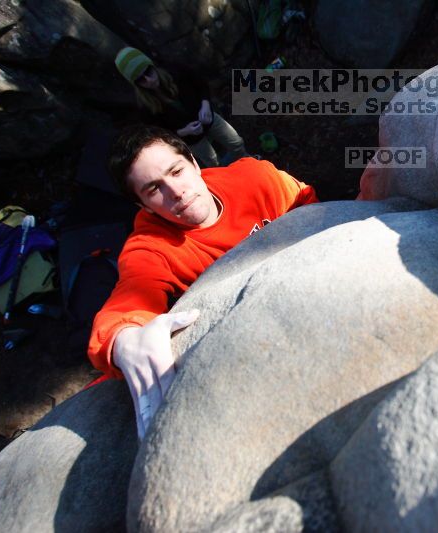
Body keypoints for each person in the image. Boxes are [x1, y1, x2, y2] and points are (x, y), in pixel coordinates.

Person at [88, 125, 318, 438]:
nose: (176, 192)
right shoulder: (151, 247)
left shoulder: (256, 178)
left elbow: (308, 204)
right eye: (154, 189)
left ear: (195, 164)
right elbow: (128, 300)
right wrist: (124, 339)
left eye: (176, 171)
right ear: (143, 206)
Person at [114, 46, 249, 167]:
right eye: (140, 80)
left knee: (236, 142)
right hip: (191, 139)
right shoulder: (145, 107)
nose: (149, 80)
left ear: (152, 65)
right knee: (213, 163)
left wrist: (205, 105)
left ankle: (248, 164)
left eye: (148, 72)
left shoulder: (175, 71)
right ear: (136, 84)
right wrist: (184, 131)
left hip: (209, 118)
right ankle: (230, 179)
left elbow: (200, 83)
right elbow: (160, 132)